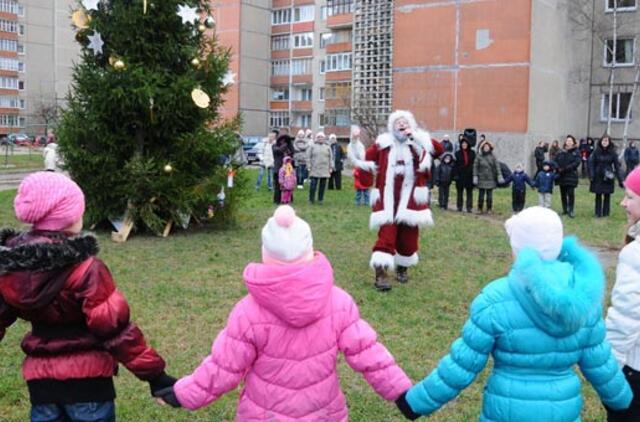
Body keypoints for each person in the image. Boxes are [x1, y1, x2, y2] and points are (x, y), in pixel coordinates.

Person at [156, 206, 413, 420]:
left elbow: (222, 368)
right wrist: (403, 393)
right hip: (323, 414)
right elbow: (370, 354)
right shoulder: (339, 302)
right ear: (309, 250)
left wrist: (184, 394)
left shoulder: (248, 312)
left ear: (266, 254)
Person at [396, 207, 632, 421]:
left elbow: (461, 365)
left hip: (506, 412)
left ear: (518, 249)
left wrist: (415, 402)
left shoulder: (494, 300)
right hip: (563, 411)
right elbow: (601, 363)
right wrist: (622, 400)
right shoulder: (585, 299)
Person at [0, 172, 176, 422]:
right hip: (89, 386)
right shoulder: (86, 268)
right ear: (68, 217)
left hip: (41, 385)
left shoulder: (11, 266)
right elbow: (116, 330)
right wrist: (156, 376)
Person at [356, 110, 444, 291]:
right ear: (391, 126)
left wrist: (417, 136)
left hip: (410, 201)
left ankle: (402, 267)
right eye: (398, 122)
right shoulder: (383, 144)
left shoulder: (417, 144)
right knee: (386, 236)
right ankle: (381, 274)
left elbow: (439, 150)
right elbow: (365, 160)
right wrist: (353, 143)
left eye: (405, 122)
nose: (401, 125)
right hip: (388, 202)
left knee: (408, 238)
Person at [606, 166, 640, 421]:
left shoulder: (635, 254)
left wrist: (611, 368)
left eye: (630, 197)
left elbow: (627, 317)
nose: (622, 203)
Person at [589, 135, 624, 218]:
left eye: (606, 141)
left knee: (607, 195)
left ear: (609, 142)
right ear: (601, 142)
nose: (605, 142)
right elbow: (591, 164)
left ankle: (606, 213)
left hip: (608, 175)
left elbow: (617, 166)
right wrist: (592, 175)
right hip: (598, 175)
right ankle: (597, 213)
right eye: (603, 141)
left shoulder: (613, 153)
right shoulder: (596, 152)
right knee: (598, 195)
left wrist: (620, 179)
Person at [473, 140, 504, 214]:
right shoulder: (479, 156)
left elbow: (497, 166)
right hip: (481, 178)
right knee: (481, 196)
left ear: (490, 148)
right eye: (485, 147)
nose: (486, 148)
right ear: (482, 148)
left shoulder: (493, 157)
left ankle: (489, 208)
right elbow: (475, 166)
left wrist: (499, 175)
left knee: (489, 196)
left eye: (487, 147)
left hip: (491, 179)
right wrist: (475, 176)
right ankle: (479, 208)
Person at [555, 135, 581, 218]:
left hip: (571, 175)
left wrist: (566, 168)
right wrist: (557, 168)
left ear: (573, 142)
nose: (569, 142)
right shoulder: (561, 151)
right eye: (567, 140)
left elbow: (576, 162)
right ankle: (565, 209)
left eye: (570, 140)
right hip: (561, 175)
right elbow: (556, 160)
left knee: (570, 193)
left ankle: (571, 210)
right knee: (563, 193)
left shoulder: (576, 152)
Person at [347, 125, 373, 206]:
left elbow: (363, 156)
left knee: (366, 188)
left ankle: (367, 201)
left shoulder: (360, 145)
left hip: (364, 168)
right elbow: (352, 154)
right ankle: (358, 202)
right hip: (358, 169)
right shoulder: (351, 145)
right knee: (359, 189)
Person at [307, 131, 333, 204]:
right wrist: (309, 166)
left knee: (322, 186)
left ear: (324, 138)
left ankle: (320, 199)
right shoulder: (312, 146)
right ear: (316, 138)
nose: (320, 138)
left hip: (324, 169)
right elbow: (308, 157)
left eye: (322, 137)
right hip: (314, 168)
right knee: (313, 185)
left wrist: (331, 167)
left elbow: (331, 158)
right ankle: (311, 199)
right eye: (319, 137)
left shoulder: (327, 147)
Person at [453, 137, 476, 213]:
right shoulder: (457, 153)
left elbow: (474, 164)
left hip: (469, 176)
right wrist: (455, 175)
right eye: (463, 143)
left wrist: (474, 174)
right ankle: (459, 206)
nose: (464, 145)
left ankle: (469, 207)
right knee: (460, 192)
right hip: (460, 176)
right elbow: (455, 165)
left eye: (465, 143)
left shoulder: (472, 153)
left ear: (468, 144)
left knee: (469, 192)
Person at [272, 129, 294, 205]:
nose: (283, 142)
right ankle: (277, 200)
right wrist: (284, 146)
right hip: (278, 168)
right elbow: (278, 151)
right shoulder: (274, 146)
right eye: (282, 140)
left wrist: (289, 144)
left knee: (289, 184)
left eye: (285, 141)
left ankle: (288, 199)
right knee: (278, 185)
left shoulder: (289, 147)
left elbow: (292, 153)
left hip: (288, 169)